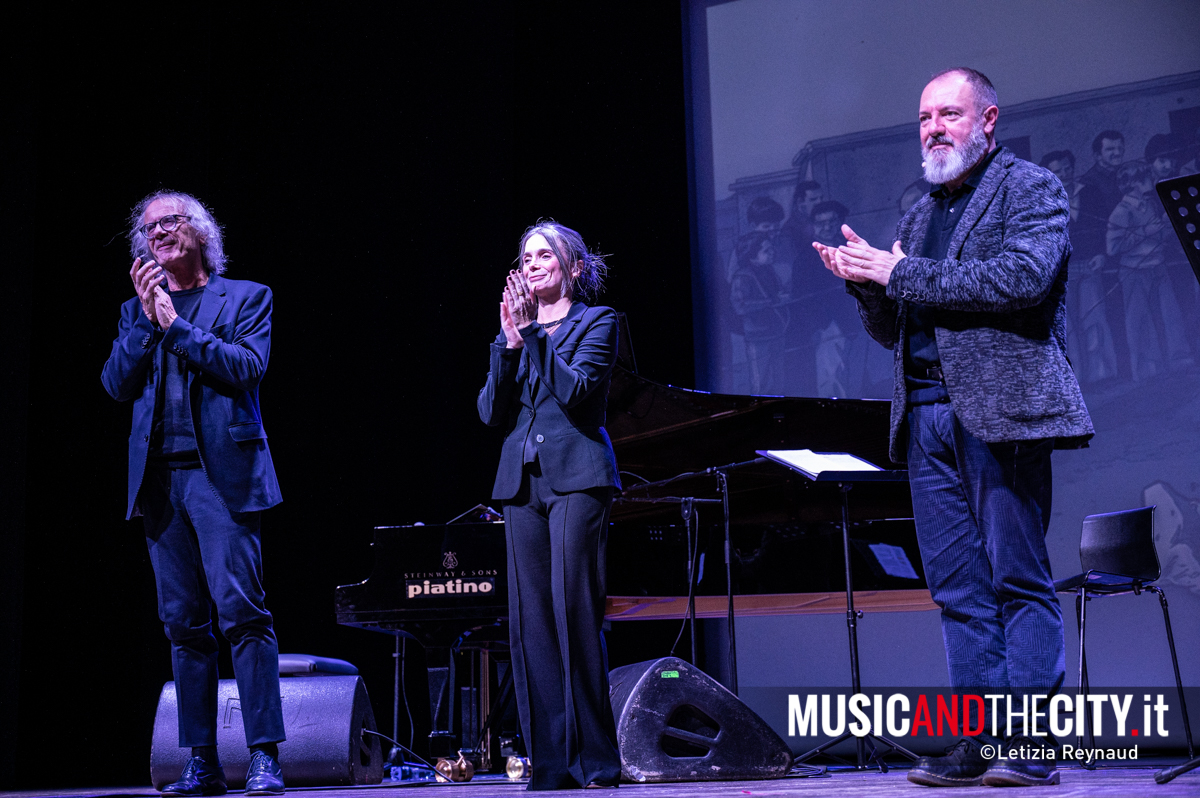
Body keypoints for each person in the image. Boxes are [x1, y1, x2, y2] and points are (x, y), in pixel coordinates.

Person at [814, 68, 1094, 788]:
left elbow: (1021, 280)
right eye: (923, 118)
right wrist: (864, 284)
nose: (933, 128)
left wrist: (898, 275)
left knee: (1017, 580)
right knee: (958, 591)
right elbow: (896, 329)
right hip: (927, 418)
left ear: (988, 120)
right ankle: (978, 743)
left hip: (1001, 413)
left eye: (948, 114)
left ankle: (1031, 748)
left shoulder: (1030, 188)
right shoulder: (917, 215)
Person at [101, 191, 285, 796]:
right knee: (182, 622)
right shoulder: (138, 311)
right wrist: (148, 326)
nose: (159, 234)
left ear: (200, 233)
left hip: (221, 478)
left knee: (242, 614)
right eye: (149, 229)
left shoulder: (247, 297)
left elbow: (245, 368)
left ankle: (263, 756)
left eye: (170, 223)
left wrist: (175, 327)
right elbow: (115, 384)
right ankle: (202, 760)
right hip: (160, 482)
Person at [477, 221, 622, 790]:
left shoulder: (597, 321)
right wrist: (509, 344)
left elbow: (578, 392)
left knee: (573, 611)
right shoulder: (517, 332)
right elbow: (491, 413)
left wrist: (534, 335)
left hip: (578, 478)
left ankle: (596, 761)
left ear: (574, 268)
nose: (533, 263)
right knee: (530, 624)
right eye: (526, 256)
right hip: (521, 484)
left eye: (545, 255)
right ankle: (552, 765)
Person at [730, 230, 788, 393]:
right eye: (766, 251)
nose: (772, 253)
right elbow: (740, 306)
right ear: (752, 254)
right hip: (758, 337)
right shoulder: (742, 277)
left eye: (772, 249)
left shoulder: (769, 270)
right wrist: (771, 302)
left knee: (779, 380)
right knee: (760, 381)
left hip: (777, 332)